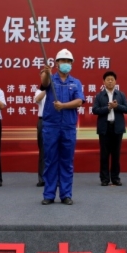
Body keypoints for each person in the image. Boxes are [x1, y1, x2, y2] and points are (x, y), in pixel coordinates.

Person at [40, 49, 84, 205]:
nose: (65, 63)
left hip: (68, 127)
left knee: (66, 161)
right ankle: (49, 194)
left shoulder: (76, 82)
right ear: (57, 63)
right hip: (51, 126)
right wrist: (46, 73)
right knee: (50, 160)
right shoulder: (51, 79)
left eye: (68, 61)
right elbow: (44, 83)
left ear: (71, 64)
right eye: (63, 61)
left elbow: (79, 101)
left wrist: (63, 105)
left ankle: (66, 194)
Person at [92, 71, 127, 186]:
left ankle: (115, 178)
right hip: (104, 128)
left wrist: (116, 106)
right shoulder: (99, 96)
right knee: (104, 155)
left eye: (112, 79)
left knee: (116, 154)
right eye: (107, 79)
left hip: (117, 127)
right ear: (103, 82)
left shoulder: (121, 95)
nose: (110, 81)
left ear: (115, 81)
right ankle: (104, 179)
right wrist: (107, 108)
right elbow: (95, 110)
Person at [35, 86, 47, 186]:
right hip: (43, 121)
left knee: (56, 150)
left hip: (56, 121)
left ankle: (56, 179)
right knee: (43, 150)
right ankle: (42, 178)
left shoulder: (59, 90)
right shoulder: (39, 91)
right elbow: (37, 99)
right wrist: (47, 89)